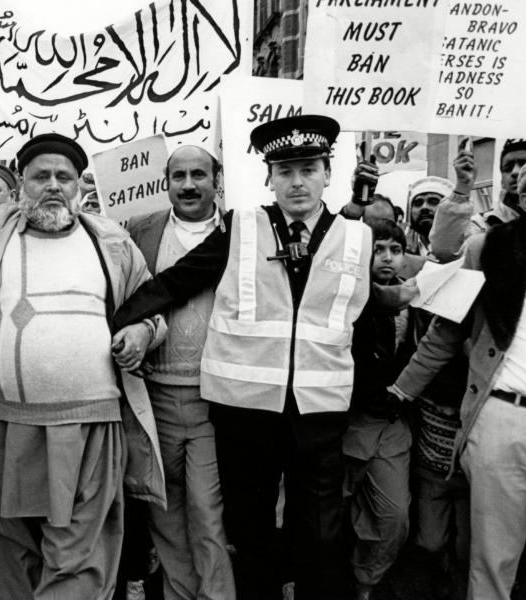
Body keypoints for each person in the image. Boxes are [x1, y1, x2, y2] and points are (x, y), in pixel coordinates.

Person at [111, 115, 413, 600]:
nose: (297, 182)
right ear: (268, 176)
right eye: (285, 170)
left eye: (308, 169)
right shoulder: (241, 229)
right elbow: (176, 281)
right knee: (249, 530)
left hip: (319, 411)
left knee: (319, 531)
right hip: (244, 411)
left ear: (327, 173)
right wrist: (120, 321)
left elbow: (361, 315)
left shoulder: (357, 237)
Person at [0, 132, 168, 600]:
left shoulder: (111, 242)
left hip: (92, 428)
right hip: (10, 425)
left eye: (63, 177)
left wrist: (142, 333)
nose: (52, 185)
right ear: (21, 182)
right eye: (40, 176)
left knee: (78, 557)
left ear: (80, 186)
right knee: (14, 550)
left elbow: (153, 311)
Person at [390, 150, 526, 600]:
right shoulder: (489, 248)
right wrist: (402, 389)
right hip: (505, 421)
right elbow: (446, 329)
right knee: (492, 560)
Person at [124, 145, 234, 600]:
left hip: (214, 399)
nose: (188, 185)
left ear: (217, 181)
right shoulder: (139, 230)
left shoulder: (241, 232)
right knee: (163, 512)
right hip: (154, 399)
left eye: (199, 175)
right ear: (165, 182)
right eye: (179, 176)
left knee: (208, 514)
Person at [343, 220, 414, 600]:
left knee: (393, 517)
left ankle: (365, 582)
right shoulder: (347, 300)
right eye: (378, 249)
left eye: (395, 250)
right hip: (346, 424)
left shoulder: (413, 303)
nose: (387, 258)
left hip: (390, 424)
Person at [429, 140, 526, 262]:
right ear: (502, 182)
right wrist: (463, 186)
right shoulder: (483, 225)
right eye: (508, 168)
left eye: (525, 164)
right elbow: (445, 253)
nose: (515, 172)